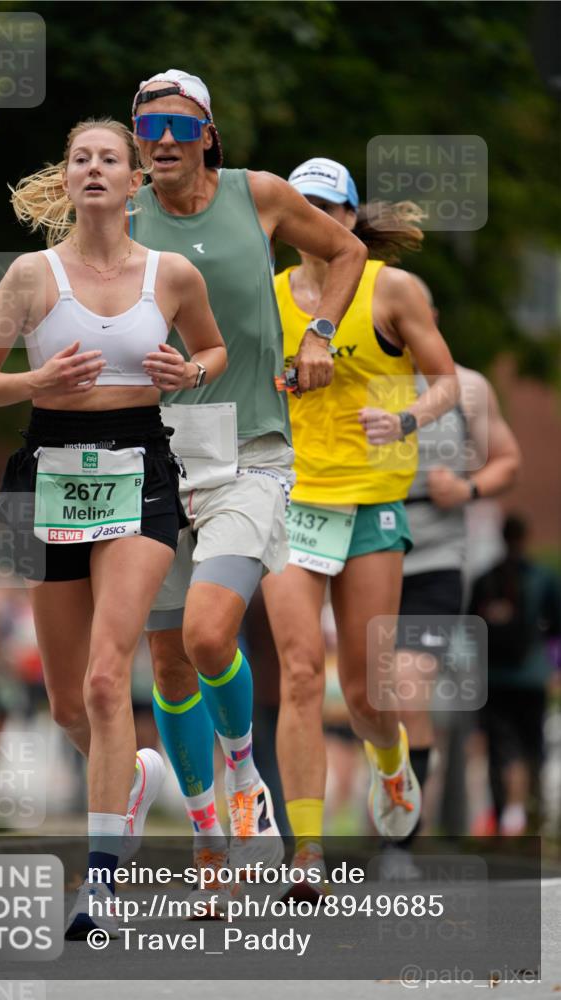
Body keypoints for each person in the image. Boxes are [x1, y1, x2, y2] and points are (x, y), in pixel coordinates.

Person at [0, 117, 227, 939]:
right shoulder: (32, 277)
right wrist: (37, 377)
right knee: (72, 704)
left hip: (139, 472)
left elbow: (212, 352)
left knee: (113, 681)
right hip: (49, 471)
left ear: (136, 178)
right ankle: (132, 784)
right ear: (67, 180)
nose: (96, 169)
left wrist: (188, 371)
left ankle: (101, 886)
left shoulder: (172, 274)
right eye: (82, 159)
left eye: (111, 157)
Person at [127, 71, 367, 904]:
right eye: (144, 123)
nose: (159, 137)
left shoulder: (256, 196)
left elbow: (348, 250)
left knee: (205, 635)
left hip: (250, 453)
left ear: (207, 134)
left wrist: (320, 333)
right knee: (165, 661)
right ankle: (209, 840)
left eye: (175, 122)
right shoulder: (119, 214)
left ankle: (244, 777)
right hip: (153, 458)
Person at [262, 157, 460, 895]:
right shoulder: (266, 295)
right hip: (291, 500)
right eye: (297, 207)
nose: (312, 219)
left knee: (368, 692)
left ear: (348, 220)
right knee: (301, 672)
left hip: (372, 503)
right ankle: (305, 852)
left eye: (326, 207)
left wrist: (404, 416)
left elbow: (446, 379)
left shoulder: (391, 290)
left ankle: (389, 762)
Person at [388, 275, 520, 869]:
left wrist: (465, 487)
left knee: (407, 685)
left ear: (431, 314)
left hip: (437, 556)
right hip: (365, 548)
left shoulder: (469, 387)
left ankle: (400, 846)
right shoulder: (366, 381)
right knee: (369, 699)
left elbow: (508, 460)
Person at [470, 515, 561, 835]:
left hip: (494, 678)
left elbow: (471, 631)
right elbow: (555, 627)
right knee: (533, 746)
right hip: (531, 677)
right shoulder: (542, 577)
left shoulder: (486, 578)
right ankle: (534, 819)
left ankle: (498, 818)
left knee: (498, 750)